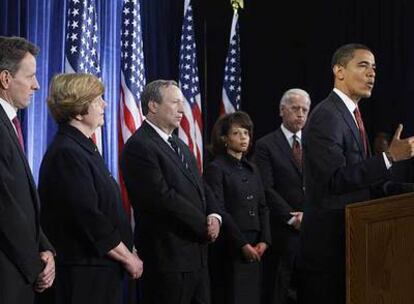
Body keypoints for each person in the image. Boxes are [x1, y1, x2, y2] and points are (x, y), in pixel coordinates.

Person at [299, 43, 414, 304]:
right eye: (363, 66)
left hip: (351, 243)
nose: (371, 73)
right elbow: (335, 180)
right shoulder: (327, 115)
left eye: (374, 68)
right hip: (329, 249)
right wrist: (388, 157)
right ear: (339, 70)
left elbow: (364, 186)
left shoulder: (351, 115)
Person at [37, 73, 143, 304]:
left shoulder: (83, 149)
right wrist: (127, 257)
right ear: (77, 110)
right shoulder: (67, 153)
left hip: (99, 272)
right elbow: (88, 217)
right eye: (97, 100)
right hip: (82, 278)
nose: (104, 104)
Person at [120, 79, 221, 304]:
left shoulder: (179, 144)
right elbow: (162, 197)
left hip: (197, 258)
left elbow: (201, 185)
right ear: (153, 106)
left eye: (182, 102)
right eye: (175, 102)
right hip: (168, 259)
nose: (182, 109)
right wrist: (202, 223)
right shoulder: (140, 146)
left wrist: (215, 215)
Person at [0, 36, 55, 304]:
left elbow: (24, 205)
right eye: (31, 76)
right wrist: (35, 266)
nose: (36, 85)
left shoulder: (9, 124)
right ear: (6, 79)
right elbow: (5, 206)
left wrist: (44, 247)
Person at [204, 111, 271, 304]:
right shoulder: (216, 168)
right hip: (231, 245)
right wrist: (242, 244)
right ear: (224, 138)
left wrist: (265, 240)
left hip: (256, 245)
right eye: (236, 133)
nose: (243, 137)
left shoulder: (252, 168)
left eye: (246, 133)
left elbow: (263, 207)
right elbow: (219, 209)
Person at [255, 88, 311, 304]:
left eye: (305, 110)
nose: (300, 114)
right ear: (282, 110)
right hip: (282, 231)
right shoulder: (265, 145)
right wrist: (292, 217)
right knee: (279, 290)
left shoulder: (314, 143)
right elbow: (266, 188)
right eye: (295, 108)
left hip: (311, 228)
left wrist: (309, 215)